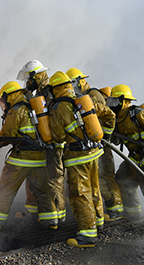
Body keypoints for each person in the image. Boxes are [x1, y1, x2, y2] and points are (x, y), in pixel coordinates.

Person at [0, 80, 58, 232]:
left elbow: (7, 136)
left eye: (4, 99)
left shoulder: (16, 110)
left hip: (22, 158)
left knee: (5, 189)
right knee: (43, 190)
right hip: (39, 157)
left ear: (9, 96)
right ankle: (51, 220)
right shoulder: (33, 106)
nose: (4, 103)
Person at [48, 71, 104, 248]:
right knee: (94, 188)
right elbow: (107, 113)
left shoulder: (58, 107)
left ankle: (88, 235)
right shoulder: (80, 98)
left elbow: (57, 136)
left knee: (80, 194)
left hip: (77, 157)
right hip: (93, 152)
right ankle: (99, 222)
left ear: (55, 88)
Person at [66, 68, 122, 221]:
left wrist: (106, 136)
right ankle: (104, 212)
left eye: (72, 83)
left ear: (79, 81)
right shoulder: (83, 96)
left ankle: (116, 209)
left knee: (106, 177)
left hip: (101, 142)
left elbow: (104, 115)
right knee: (98, 180)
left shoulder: (93, 94)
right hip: (95, 143)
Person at [17, 60, 66, 223]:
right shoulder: (41, 92)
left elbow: (53, 118)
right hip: (44, 142)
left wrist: (52, 140)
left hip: (53, 143)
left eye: (29, 79)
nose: (27, 83)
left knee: (54, 179)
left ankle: (58, 216)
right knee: (37, 178)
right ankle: (37, 213)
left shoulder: (49, 91)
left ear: (35, 77)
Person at [107, 84, 144, 221]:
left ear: (125, 101)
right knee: (122, 180)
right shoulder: (117, 119)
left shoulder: (138, 114)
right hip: (134, 158)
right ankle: (133, 216)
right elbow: (116, 141)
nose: (112, 104)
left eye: (115, 101)